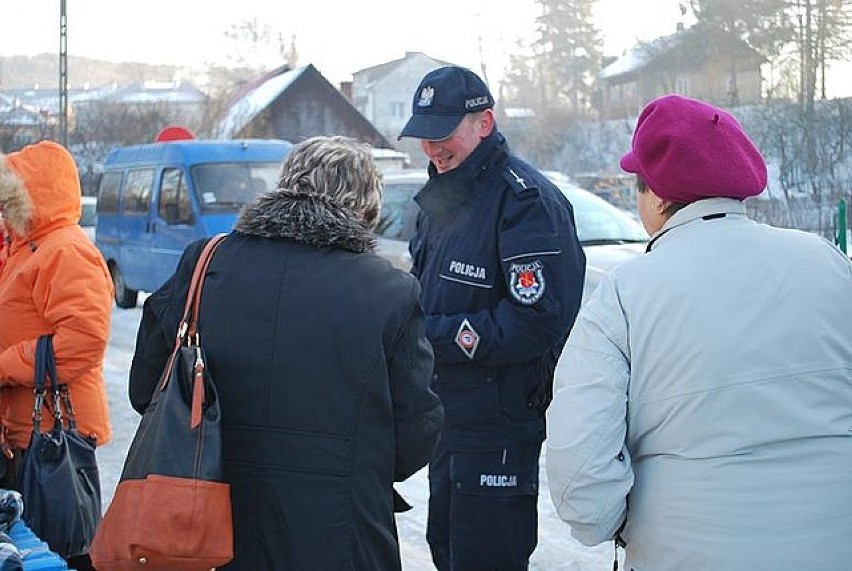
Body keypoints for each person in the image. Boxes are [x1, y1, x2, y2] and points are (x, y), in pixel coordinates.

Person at [545, 93, 852, 570]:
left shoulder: (626, 294)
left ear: (659, 194)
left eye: (638, 186)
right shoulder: (828, 263)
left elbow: (579, 468)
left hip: (687, 550)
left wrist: (616, 524)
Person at [129, 135, 444, 570]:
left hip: (208, 524)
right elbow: (417, 430)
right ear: (366, 205)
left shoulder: (206, 262)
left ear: (285, 184)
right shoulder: (388, 292)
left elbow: (147, 387)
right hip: (340, 532)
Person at [398, 66, 586, 570]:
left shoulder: (526, 202)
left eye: (442, 134)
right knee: (447, 551)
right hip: (448, 417)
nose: (432, 148)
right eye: (424, 136)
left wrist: (429, 338)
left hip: (497, 425)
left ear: (484, 123)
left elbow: (539, 320)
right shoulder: (444, 197)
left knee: (485, 559)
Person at [0, 141, 114, 571]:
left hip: (53, 431)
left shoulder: (64, 249)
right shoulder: (27, 247)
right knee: (32, 546)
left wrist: (6, 367)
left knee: (59, 546)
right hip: (29, 429)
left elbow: (83, 339)